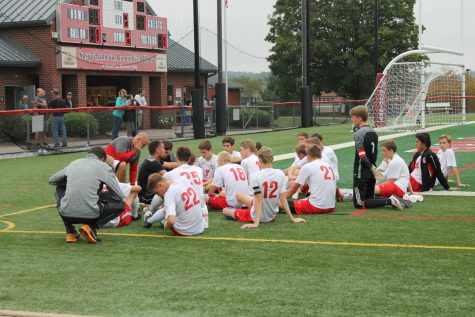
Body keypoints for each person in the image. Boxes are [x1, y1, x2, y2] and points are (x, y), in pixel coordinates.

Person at [48, 147, 125, 244]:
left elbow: (52, 180)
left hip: (66, 213)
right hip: (91, 215)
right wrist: (104, 195)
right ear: (102, 159)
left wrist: (72, 182)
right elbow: (119, 195)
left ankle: (70, 233)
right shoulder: (104, 167)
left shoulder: (74, 163)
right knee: (120, 204)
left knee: (60, 188)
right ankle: (90, 227)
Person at [223, 147, 306, 228]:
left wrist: (256, 223)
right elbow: (283, 198)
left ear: (259, 161)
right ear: (272, 159)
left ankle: (246, 209)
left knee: (225, 211)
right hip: (272, 214)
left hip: (259, 215)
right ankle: (249, 207)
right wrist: (292, 218)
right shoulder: (280, 173)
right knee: (239, 196)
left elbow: (259, 199)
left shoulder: (255, 176)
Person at [145, 146, 208, 228]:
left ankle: (150, 213)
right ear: (189, 158)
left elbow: (164, 190)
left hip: (186, 208)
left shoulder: (171, 174)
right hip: (201, 208)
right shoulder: (198, 170)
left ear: (177, 158)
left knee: (162, 193)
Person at [356, 140, 411, 211]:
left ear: (391, 151)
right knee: (368, 191)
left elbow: (390, 182)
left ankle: (392, 200)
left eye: (384, 151)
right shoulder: (393, 159)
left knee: (367, 191)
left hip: (397, 188)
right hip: (398, 188)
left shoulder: (395, 161)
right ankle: (391, 199)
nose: (382, 153)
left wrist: (377, 186)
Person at [285, 144, 337, 214]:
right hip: (331, 206)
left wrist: (280, 197)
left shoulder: (308, 166)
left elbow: (293, 190)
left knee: (281, 203)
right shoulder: (328, 165)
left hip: (317, 206)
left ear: (308, 156)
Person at [349, 105, 382, 209]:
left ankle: (389, 201)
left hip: (361, 174)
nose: (351, 120)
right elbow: (374, 154)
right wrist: (373, 168)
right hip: (371, 174)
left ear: (359, 118)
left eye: (353, 117)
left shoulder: (359, 134)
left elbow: (362, 155)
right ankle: (390, 200)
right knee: (369, 199)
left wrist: (371, 168)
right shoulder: (373, 132)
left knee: (359, 203)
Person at [137, 140, 174, 204]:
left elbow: (170, 165)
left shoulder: (154, 160)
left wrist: (184, 163)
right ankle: (150, 210)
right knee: (169, 190)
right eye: (163, 148)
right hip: (145, 196)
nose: (164, 150)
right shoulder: (152, 162)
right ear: (158, 150)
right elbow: (168, 177)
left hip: (148, 194)